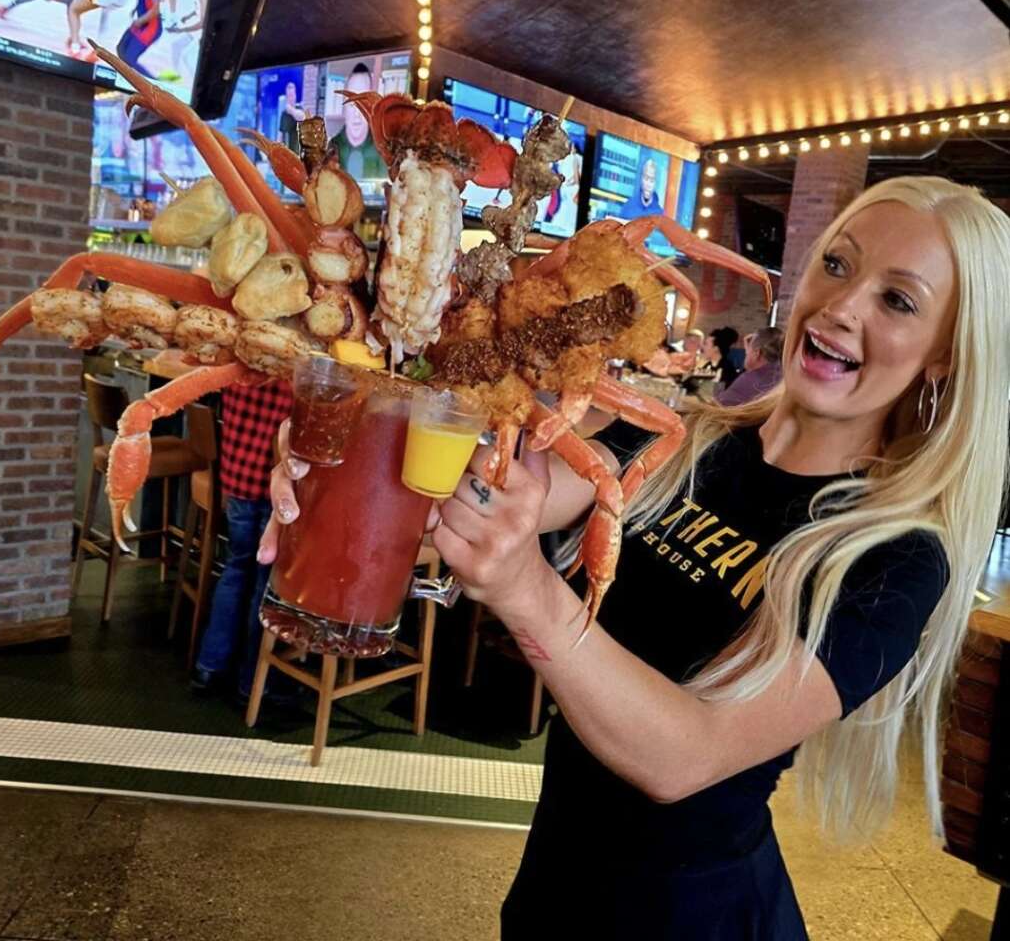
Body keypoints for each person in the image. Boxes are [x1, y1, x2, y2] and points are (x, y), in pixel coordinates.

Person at [260, 175, 1010, 937]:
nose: (842, 309)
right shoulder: (678, 436)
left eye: (899, 301)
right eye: (839, 265)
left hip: (695, 917)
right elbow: (484, 494)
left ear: (945, 356)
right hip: (555, 889)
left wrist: (527, 590)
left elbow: (687, 756)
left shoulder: (898, 558)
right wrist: (352, 453)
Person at [191, 380, 293, 701]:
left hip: (237, 479)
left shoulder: (242, 354)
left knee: (236, 567)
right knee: (265, 585)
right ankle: (253, 680)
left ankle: (210, 664)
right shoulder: (296, 369)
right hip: (279, 489)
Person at [329, 63, 385, 181]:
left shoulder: (383, 150)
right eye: (352, 104)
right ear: (343, 107)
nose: (357, 114)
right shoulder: (331, 149)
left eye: (363, 103)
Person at [162, 0, 209, 86]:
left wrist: (182, 30)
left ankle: (191, 83)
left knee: (185, 55)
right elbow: (198, 9)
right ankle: (177, 79)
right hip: (197, 32)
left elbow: (203, 21)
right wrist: (187, 17)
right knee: (178, 49)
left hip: (199, 33)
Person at [115, 0, 160, 78]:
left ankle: (154, 84)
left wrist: (141, 20)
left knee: (129, 57)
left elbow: (155, 10)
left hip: (150, 26)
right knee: (121, 49)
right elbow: (144, 0)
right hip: (141, 22)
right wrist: (136, 9)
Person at [718, 326, 785, 406]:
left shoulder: (747, 382)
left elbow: (718, 409)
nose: (745, 353)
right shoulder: (785, 379)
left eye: (748, 350)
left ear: (757, 353)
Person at [619, 154, 664, 220]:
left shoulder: (660, 214)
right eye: (646, 178)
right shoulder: (628, 207)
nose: (648, 184)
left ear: (656, 183)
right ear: (641, 179)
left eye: (651, 181)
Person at [703, 324, 740, 389]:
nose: (702, 347)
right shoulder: (707, 365)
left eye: (706, 344)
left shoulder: (728, 370)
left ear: (716, 348)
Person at [278, 79, 306, 155]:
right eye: (288, 96)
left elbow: (302, 117)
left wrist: (290, 110)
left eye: (292, 95)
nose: (290, 98)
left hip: (297, 153)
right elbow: (281, 133)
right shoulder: (284, 114)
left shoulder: (299, 109)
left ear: (295, 96)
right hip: (285, 153)